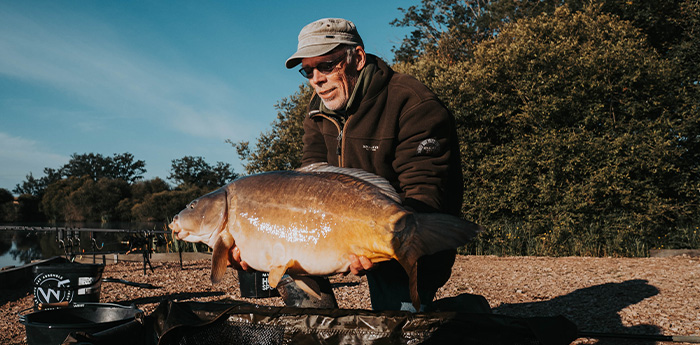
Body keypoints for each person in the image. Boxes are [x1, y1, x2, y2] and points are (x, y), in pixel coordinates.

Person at [231, 18, 464, 312]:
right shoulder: (317, 112)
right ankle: (319, 320)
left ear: (358, 58)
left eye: (327, 65)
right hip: (333, 234)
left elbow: (426, 195)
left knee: (401, 328)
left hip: (405, 234)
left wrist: (370, 241)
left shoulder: (413, 103)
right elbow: (306, 187)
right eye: (308, 70)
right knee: (283, 259)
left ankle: (467, 312)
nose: (316, 78)